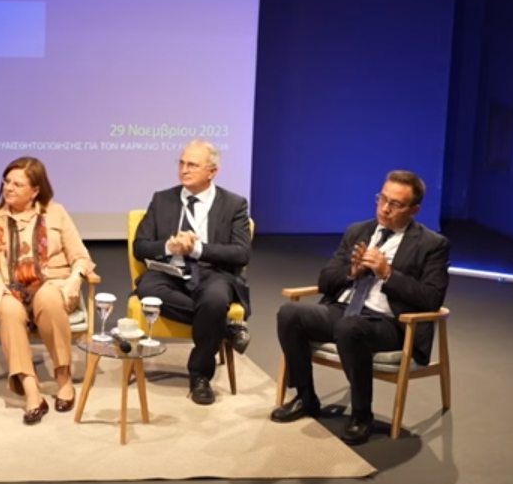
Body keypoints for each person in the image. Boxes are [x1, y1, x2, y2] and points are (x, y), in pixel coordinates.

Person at [270, 170, 450, 445]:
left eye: (395, 204)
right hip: (343, 309)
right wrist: (351, 272)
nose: (385, 209)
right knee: (290, 313)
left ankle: (362, 414)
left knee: (349, 327)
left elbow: (431, 298)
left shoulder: (432, 245)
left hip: (389, 323)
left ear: (414, 210)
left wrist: (387, 273)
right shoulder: (358, 231)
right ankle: (306, 398)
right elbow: (325, 281)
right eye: (382, 199)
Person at [0, 158, 96, 424]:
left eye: (17, 184)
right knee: (9, 309)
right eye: (6, 182)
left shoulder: (56, 213)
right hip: (4, 288)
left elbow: (81, 256)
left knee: (49, 297)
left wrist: (75, 278)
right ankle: (31, 389)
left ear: (35, 190)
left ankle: (63, 378)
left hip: (51, 285)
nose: (8, 188)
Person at [130, 139, 252, 405]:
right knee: (148, 290)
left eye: (193, 165)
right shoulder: (162, 199)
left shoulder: (234, 204)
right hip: (169, 271)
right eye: (182, 163)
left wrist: (197, 249)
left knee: (215, 300)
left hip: (212, 272)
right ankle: (225, 327)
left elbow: (241, 253)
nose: (184, 170)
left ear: (212, 171)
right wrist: (169, 246)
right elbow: (140, 247)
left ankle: (200, 376)